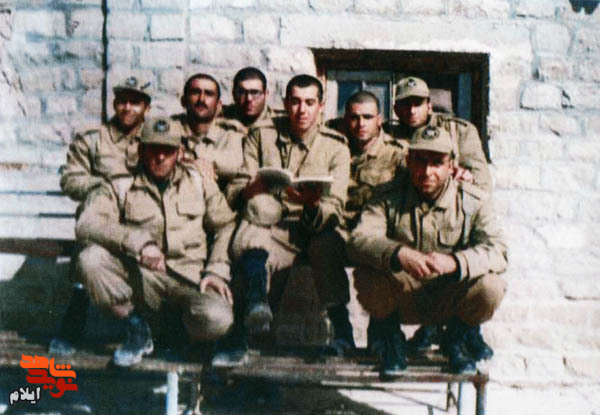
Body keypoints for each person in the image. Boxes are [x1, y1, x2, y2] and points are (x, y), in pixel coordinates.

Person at [213, 75, 354, 366]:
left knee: (327, 244)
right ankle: (253, 310)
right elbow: (238, 185)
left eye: (310, 103)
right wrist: (250, 189)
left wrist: (312, 205)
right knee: (251, 226)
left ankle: (343, 331)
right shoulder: (262, 136)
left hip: (313, 227)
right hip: (273, 226)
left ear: (321, 106)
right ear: (286, 103)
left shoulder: (336, 147)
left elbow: (336, 206)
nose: (302, 110)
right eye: (296, 102)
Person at [74, 117, 237, 367]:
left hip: (189, 278)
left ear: (179, 152)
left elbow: (225, 225)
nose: (160, 157)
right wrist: (139, 242)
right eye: (154, 149)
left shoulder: (198, 182)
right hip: (143, 278)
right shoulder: (121, 184)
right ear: (141, 150)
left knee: (217, 318)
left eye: (168, 150)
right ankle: (137, 328)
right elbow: (87, 222)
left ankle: (183, 336)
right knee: (90, 260)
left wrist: (216, 269)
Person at [348, 125, 507, 376]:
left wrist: (456, 262)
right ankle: (391, 339)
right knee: (367, 275)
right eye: (420, 161)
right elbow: (359, 239)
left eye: (436, 163)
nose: (427, 171)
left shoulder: (473, 200)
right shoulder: (387, 197)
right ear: (408, 161)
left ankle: (456, 338)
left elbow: (498, 250)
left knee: (491, 287)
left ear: (451, 165)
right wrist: (398, 253)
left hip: (449, 296)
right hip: (403, 296)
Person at [388, 76, 494, 350]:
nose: (412, 110)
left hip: (450, 212)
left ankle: (464, 328)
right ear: (395, 109)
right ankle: (424, 328)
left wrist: (459, 178)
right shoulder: (389, 137)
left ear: (429, 105)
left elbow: (482, 185)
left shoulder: (459, 131)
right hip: (409, 214)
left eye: (417, 103)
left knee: (465, 238)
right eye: (405, 104)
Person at [50, 76, 153, 355]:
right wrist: (103, 186)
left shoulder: (155, 137)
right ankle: (82, 321)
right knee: (90, 246)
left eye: (135, 102)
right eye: (122, 101)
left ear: (146, 108)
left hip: (143, 219)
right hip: (103, 218)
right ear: (114, 103)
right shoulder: (93, 139)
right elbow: (70, 179)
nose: (127, 108)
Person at [172, 73, 245, 192]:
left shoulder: (230, 134)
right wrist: (196, 164)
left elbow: (233, 165)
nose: (201, 99)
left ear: (219, 106)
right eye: (195, 92)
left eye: (209, 94)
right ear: (183, 101)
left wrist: (187, 157)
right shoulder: (171, 129)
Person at [221, 66, 283, 133]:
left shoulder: (279, 125)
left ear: (265, 94)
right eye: (242, 92)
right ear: (233, 94)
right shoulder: (220, 119)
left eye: (255, 92)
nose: (249, 99)